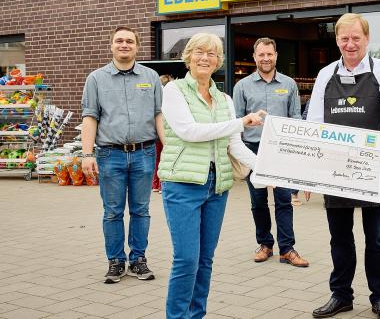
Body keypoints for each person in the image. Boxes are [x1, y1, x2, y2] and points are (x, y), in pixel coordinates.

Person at [158, 33, 265, 318]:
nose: (205, 58)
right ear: (188, 57)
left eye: (212, 53)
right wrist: (240, 121)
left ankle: (197, 315)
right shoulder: (174, 91)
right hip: (183, 185)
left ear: (218, 61)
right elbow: (189, 132)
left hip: (217, 187)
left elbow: (234, 144)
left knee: (205, 260)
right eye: (199, 52)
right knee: (186, 260)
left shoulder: (224, 99)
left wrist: (264, 168)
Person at [307, 13, 380, 319]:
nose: (350, 44)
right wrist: (309, 173)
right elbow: (314, 122)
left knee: (376, 237)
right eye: (344, 38)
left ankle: (379, 296)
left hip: (371, 167)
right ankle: (341, 295)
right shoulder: (325, 74)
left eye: (356, 38)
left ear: (367, 38)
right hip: (334, 167)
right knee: (340, 237)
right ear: (337, 40)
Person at [81, 26, 164, 284]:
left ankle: (138, 259)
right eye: (119, 41)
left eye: (129, 41)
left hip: (144, 153)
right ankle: (116, 261)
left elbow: (158, 115)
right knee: (112, 212)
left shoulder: (151, 77)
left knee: (141, 210)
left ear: (137, 46)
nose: (124, 45)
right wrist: (86, 154)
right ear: (112, 45)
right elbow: (89, 117)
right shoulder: (96, 79)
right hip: (110, 155)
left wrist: (170, 148)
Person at [232, 37, 309, 267]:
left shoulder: (289, 84)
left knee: (284, 199)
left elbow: (296, 118)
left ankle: (287, 248)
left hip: (280, 149)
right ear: (254, 57)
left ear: (276, 56)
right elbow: (236, 121)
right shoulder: (242, 86)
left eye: (270, 54)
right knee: (258, 201)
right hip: (252, 149)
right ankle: (265, 244)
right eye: (261, 55)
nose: (266, 58)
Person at [153, 74, 175, 193]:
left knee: (157, 159)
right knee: (165, 158)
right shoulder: (170, 98)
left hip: (156, 133)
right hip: (167, 132)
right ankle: (162, 185)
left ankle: (156, 185)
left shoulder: (156, 97)